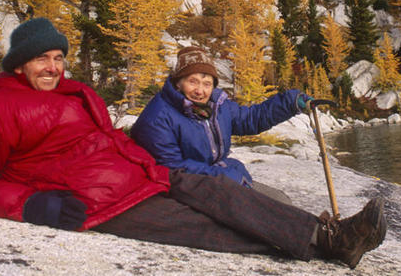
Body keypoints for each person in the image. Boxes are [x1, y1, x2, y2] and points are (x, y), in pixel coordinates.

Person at [0, 18, 386, 269]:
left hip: (143, 174)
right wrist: (36, 206)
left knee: (219, 192)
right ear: (19, 66)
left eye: (58, 58)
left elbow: (111, 139)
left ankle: (332, 234)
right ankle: (324, 246)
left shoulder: (78, 94)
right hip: (97, 201)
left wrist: (150, 165)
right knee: (201, 228)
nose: (53, 68)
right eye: (42, 59)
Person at [131, 46, 309, 198]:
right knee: (273, 212)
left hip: (215, 177)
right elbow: (171, 168)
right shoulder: (158, 117)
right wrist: (224, 177)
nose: (200, 91)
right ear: (178, 83)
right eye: (193, 82)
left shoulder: (217, 106)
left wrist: (291, 102)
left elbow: (250, 119)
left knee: (280, 199)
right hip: (184, 189)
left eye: (207, 84)